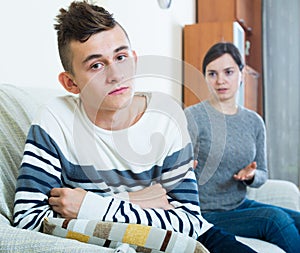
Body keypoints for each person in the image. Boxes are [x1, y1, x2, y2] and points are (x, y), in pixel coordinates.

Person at [13, 2, 256, 252]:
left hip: (198, 238)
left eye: (121, 57)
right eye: (96, 65)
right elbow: (29, 222)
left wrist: (93, 207)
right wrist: (140, 200)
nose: (116, 74)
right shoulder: (54, 119)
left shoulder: (167, 117)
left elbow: (189, 222)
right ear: (71, 83)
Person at [184, 41, 300, 253]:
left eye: (228, 72)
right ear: (205, 77)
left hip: (240, 205)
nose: (220, 81)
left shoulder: (254, 121)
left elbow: (263, 173)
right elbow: (176, 171)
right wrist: (185, 168)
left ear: (241, 73)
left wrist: (251, 176)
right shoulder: (193, 117)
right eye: (212, 74)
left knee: (298, 219)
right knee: (275, 220)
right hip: (206, 212)